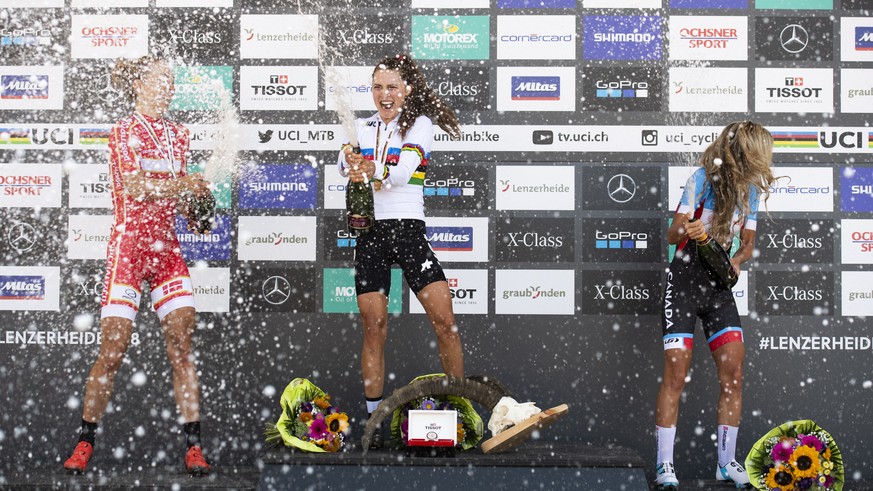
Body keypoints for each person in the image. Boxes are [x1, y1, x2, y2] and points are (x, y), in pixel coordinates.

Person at [63, 56, 213, 476]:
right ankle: (85, 441)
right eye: (159, 81)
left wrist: (199, 205)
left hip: (166, 251)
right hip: (128, 249)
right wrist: (182, 184)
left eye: (171, 82)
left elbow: (180, 200)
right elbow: (135, 186)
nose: (167, 88)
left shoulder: (180, 135)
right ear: (139, 85)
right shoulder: (123, 131)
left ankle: (194, 446)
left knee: (182, 347)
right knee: (112, 351)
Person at [337, 54, 465, 449]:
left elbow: (402, 173)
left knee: (445, 323)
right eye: (378, 87)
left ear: (406, 89)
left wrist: (369, 167)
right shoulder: (360, 127)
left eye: (392, 86)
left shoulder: (420, 124)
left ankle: (459, 412)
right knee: (374, 329)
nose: (384, 94)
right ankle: (372, 421)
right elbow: (344, 165)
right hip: (371, 234)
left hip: (409, 231)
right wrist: (349, 159)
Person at [654, 121, 776, 489]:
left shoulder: (750, 192)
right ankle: (664, 466)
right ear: (746, 153)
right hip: (684, 284)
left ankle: (726, 462)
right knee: (676, 375)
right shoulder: (701, 180)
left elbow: (749, 244)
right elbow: (673, 233)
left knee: (733, 377)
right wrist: (687, 229)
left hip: (719, 289)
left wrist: (736, 262)